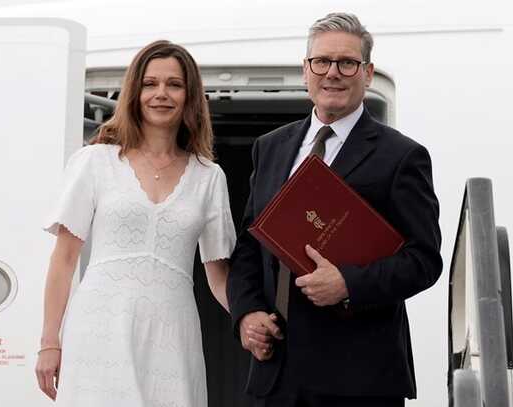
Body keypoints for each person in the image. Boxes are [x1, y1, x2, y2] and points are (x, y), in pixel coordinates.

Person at [227, 12, 442, 407]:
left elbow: (424, 260)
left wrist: (348, 284)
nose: (333, 73)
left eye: (347, 63)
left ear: (368, 72)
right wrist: (247, 313)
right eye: (322, 62)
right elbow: (249, 246)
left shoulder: (403, 156)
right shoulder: (270, 147)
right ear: (305, 70)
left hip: (360, 377)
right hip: (277, 373)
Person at [35, 40, 236, 406]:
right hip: (99, 328)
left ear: (190, 96)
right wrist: (50, 342)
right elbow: (63, 260)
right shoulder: (95, 161)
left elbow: (219, 275)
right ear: (134, 92)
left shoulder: (210, 177)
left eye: (174, 84)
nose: (161, 94)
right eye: (150, 84)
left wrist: (250, 319)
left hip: (172, 335)